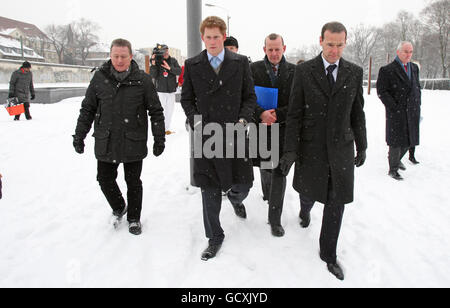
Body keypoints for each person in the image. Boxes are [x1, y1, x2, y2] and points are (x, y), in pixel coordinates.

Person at [280, 22, 367, 280]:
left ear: (345, 42)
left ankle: (328, 253)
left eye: (340, 45)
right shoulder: (305, 71)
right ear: (321, 41)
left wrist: (362, 144)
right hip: (312, 147)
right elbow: (294, 114)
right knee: (310, 192)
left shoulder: (353, 72)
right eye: (330, 44)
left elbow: (357, 113)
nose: (334, 50)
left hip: (341, 148)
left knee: (336, 201)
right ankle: (305, 209)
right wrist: (290, 151)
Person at [181, 16, 256, 261]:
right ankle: (215, 236)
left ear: (224, 37)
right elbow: (187, 100)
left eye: (216, 36)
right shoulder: (192, 65)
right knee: (209, 189)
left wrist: (243, 121)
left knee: (243, 184)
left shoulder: (241, 62)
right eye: (208, 36)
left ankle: (235, 199)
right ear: (202, 37)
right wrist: (198, 123)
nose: (212, 41)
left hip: (235, 133)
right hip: (207, 135)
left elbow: (249, 98)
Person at [73, 39, 166, 236]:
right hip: (106, 139)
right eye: (115, 56)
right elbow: (88, 108)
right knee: (104, 179)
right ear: (111, 55)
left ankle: (134, 218)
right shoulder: (99, 78)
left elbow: (156, 111)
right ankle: (119, 206)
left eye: (123, 56)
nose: (119, 60)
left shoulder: (143, 80)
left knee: (133, 182)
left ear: (131, 56)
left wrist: (159, 138)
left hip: (133, 139)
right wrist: (79, 135)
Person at [250, 33, 296, 237]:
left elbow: (298, 102)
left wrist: (278, 114)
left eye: (277, 49)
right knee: (264, 167)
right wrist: (261, 113)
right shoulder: (253, 70)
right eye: (270, 49)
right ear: (264, 50)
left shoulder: (295, 71)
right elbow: (247, 97)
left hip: (283, 128)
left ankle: (275, 219)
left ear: (284, 48)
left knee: (279, 172)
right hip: (260, 126)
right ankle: (266, 192)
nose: (274, 53)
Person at [377, 41, 422, 180]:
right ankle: (393, 168)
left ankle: (397, 159)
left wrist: (418, 103)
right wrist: (394, 107)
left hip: (412, 110)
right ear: (398, 52)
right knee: (396, 141)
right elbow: (382, 91)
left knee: (410, 139)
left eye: (410, 52)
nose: (408, 54)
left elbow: (416, 87)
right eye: (405, 51)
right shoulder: (387, 70)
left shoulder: (414, 68)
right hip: (397, 111)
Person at [150, 44, 182, 136]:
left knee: (170, 111)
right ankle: (159, 128)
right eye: (164, 51)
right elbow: (153, 75)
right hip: (161, 91)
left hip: (171, 91)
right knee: (161, 110)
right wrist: (153, 64)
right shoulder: (157, 62)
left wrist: (170, 68)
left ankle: (166, 128)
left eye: (167, 51)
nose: (166, 53)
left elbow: (179, 71)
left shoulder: (173, 60)